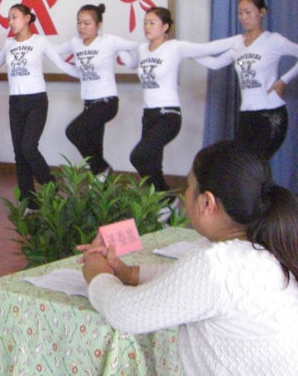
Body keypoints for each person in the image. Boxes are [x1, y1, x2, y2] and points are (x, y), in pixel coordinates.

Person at [79, 140, 298, 375]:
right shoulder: (265, 247)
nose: (184, 194)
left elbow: (125, 313)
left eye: (189, 186)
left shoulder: (216, 264)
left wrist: (97, 274)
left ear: (207, 202)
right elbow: (192, 283)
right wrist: (130, 273)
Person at [0, 3, 77, 208]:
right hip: (16, 103)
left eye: (14, 17)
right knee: (19, 153)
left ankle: (51, 187)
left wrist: (85, 76)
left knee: (29, 147)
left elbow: (62, 65)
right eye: (9, 18)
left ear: (27, 18)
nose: (10, 21)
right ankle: (29, 202)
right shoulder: (9, 44)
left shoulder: (40, 41)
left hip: (36, 102)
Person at [121, 7, 235, 192]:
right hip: (148, 115)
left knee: (138, 156)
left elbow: (209, 48)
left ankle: (166, 197)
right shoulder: (142, 49)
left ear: (165, 27)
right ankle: (163, 202)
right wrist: (114, 47)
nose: (147, 27)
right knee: (152, 163)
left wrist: (239, 40)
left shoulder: (175, 47)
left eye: (152, 23)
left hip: (168, 116)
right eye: (145, 23)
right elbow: (130, 63)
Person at [195, 0, 298, 160]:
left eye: (248, 12)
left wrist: (283, 81)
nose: (244, 17)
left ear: (261, 12)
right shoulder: (238, 45)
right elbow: (215, 63)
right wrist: (186, 52)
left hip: (271, 113)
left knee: (257, 162)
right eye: (240, 13)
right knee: (244, 164)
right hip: (247, 114)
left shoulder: (273, 40)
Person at [56, 3, 140, 178]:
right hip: (89, 103)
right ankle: (102, 184)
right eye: (79, 22)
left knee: (73, 131)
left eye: (87, 23)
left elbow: (138, 45)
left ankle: (102, 169)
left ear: (98, 25)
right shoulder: (75, 43)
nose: (82, 27)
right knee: (95, 149)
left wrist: (156, 46)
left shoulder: (108, 41)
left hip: (106, 102)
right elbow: (52, 51)